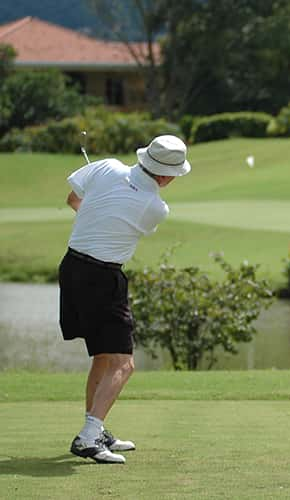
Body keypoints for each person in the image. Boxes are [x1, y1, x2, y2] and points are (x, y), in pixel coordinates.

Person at [59, 135, 191, 464]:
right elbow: (127, 225)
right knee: (124, 362)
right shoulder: (155, 206)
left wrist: (95, 210)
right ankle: (88, 437)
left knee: (103, 357)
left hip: (72, 267)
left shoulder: (105, 166)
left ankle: (95, 428)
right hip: (102, 278)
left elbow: (73, 200)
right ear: (165, 176)